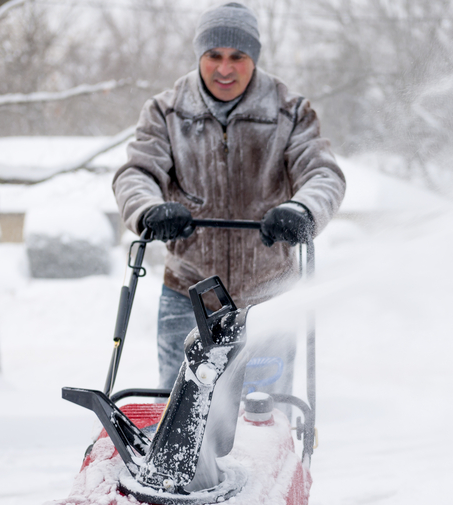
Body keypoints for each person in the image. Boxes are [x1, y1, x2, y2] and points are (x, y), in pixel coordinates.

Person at [113, 2, 346, 390]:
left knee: (262, 418)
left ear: (253, 57)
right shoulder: (166, 112)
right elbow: (137, 172)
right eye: (213, 56)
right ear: (199, 55)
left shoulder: (290, 111)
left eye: (237, 56)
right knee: (180, 419)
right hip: (188, 294)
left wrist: (301, 209)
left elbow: (323, 173)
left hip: (268, 294)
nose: (224, 68)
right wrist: (150, 209)